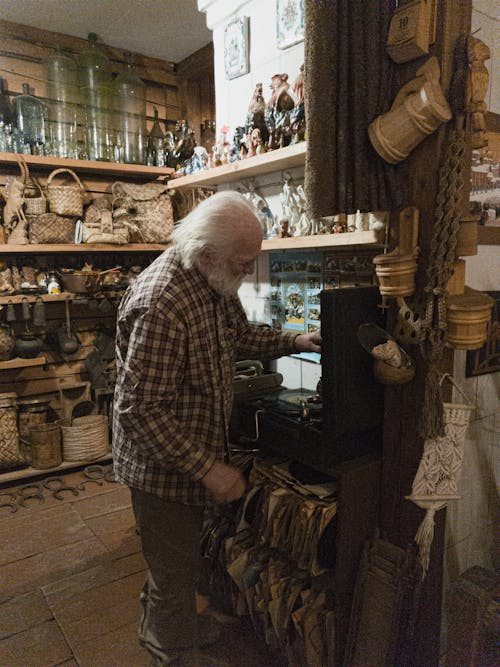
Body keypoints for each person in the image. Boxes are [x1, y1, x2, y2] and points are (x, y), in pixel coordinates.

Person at [112, 191, 321, 667]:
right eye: (243, 262)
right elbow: (139, 410)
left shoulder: (209, 281)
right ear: (207, 253)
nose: (248, 271)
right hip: (160, 468)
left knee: (179, 559)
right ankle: (172, 649)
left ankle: (167, 622)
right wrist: (209, 468)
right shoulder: (162, 302)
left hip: (187, 452)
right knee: (173, 567)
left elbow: (240, 335)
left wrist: (297, 339)